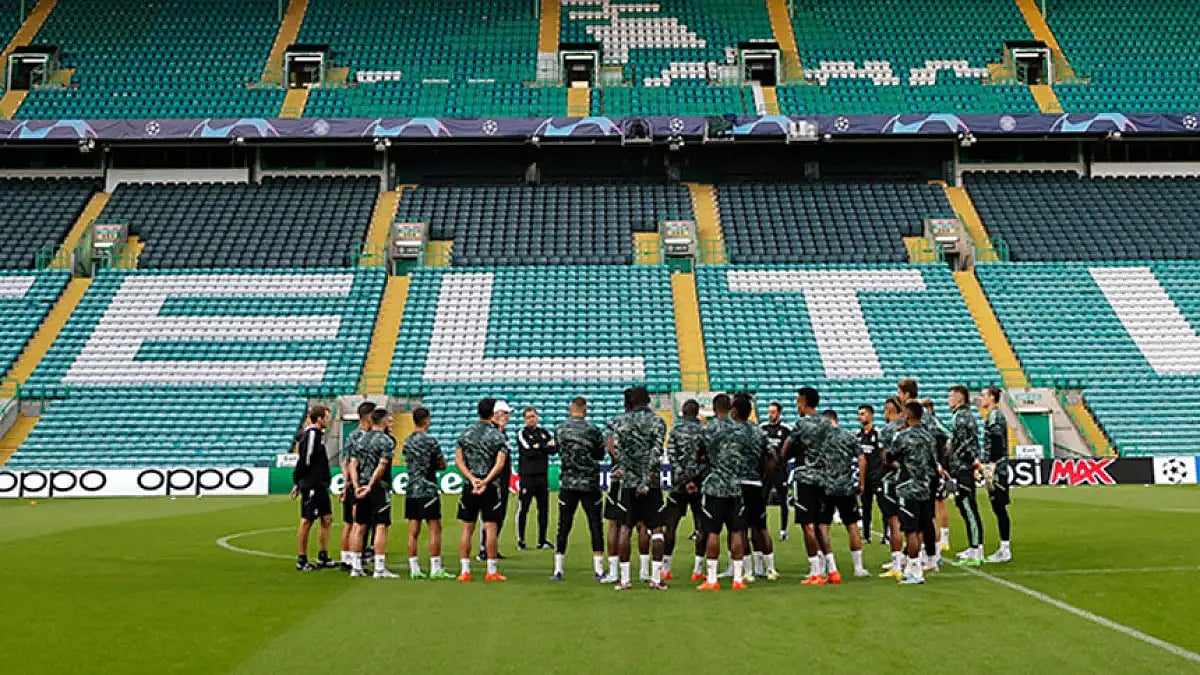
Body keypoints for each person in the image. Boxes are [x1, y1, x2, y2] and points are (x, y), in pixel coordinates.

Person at [697, 394, 762, 591]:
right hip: (736, 485)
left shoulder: (709, 429)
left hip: (716, 486)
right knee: (737, 531)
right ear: (731, 408)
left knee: (713, 532)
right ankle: (738, 578)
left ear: (715, 409)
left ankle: (711, 578)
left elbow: (699, 454)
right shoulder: (742, 429)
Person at [611, 386, 668, 591]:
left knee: (625, 527)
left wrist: (630, 473)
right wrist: (645, 479)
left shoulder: (620, 421)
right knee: (657, 529)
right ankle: (655, 578)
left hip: (628, 481)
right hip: (651, 483)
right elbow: (656, 451)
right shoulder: (658, 422)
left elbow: (618, 451)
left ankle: (625, 580)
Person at [781, 386, 834, 586]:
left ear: (804, 401)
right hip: (824, 478)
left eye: (798, 401)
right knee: (822, 524)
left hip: (805, 478)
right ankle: (832, 568)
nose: (797, 405)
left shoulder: (801, 424)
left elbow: (787, 448)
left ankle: (815, 571)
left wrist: (785, 457)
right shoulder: (827, 424)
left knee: (807, 525)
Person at [551, 397, 607, 581]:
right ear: (585, 409)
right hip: (589, 483)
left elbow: (558, 450)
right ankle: (598, 569)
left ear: (570, 408)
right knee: (595, 524)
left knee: (564, 525)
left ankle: (558, 569)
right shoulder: (593, 430)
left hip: (568, 482)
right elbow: (600, 454)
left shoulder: (560, 429)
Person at [456, 398, 510, 582]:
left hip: (469, 486)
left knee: (466, 528)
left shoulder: (466, 433)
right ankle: (491, 570)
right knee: (490, 528)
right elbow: (500, 463)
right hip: (490, 487)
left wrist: (472, 479)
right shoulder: (497, 436)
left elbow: (458, 460)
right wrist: (486, 481)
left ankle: (465, 570)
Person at [602, 389, 650, 584]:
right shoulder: (652, 421)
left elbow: (610, 445)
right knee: (644, 524)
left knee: (617, 523)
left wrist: (622, 463)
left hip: (621, 478)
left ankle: (616, 571)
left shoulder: (617, 421)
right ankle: (645, 571)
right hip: (645, 477)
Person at [890, 401, 938, 585]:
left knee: (910, 530)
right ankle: (914, 566)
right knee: (920, 528)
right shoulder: (929, 437)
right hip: (925, 487)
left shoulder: (903, 436)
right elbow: (935, 462)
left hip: (907, 488)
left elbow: (889, 457)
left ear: (908, 416)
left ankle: (915, 570)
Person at [402, 407, 453, 580]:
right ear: (427, 420)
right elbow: (442, 464)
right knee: (434, 528)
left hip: (411, 488)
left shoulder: (407, 441)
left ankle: (414, 568)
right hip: (428, 488)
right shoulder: (430, 441)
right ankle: (435, 567)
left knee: (413, 530)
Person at [348, 408, 398, 578]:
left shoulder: (361, 440)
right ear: (383, 421)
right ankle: (379, 568)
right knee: (381, 526)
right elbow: (382, 465)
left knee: (359, 525)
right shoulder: (387, 441)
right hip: (378, 487)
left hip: (360, 486)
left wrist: (356, 486)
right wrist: (370, 485)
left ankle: (355, 567)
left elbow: (352, 464)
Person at [820, 410, 868, 578]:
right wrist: (861, 482)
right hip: (846, 487)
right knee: (852, 525)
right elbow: (862, 459)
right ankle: (858, 567)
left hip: (826, 487)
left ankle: (825, 566)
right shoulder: (849, 436)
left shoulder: (821, 438)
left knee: (823, 526)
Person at [663, 399, 706, 582]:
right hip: (700, 485)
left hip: (679, 485)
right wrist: (694, 479)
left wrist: (684, 478)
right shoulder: (705, 431)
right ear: (697, 413)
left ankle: (666, 568)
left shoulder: (675, 431)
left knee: (671, 525)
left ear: (682, 412)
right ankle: (697, 570)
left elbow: (671, 457)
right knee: (701, 526)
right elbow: (706, 459)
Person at [291, 405, 334, 571]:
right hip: (312, 484)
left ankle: (323, 556)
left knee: (327, 518)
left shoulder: (319, 435)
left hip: (320, 485)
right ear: (320, 418)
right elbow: (305, 460)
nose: (329, 420)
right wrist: (299, 481)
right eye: (327, 417)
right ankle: (302, 559)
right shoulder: (311, 435)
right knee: (307, 520)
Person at [947, 385, 985, 568]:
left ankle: (977, 550)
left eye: (951, 397)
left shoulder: (961, 417)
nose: (948, 400)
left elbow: (965, 444)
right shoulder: (965, 416)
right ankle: (973, 546)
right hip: (962, 467)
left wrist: (973, 462)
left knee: (969, 507)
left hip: (964, 468)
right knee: (964, 505)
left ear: (959, 399)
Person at [338, 401, 375, 571]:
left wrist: (346, 482)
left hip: (351, 483)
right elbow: (353, 462)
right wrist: (355, 483)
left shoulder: (351, 435)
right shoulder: (364, 437)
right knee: (358, 524)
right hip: (360, 484)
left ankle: (346, 558)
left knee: (349, 523)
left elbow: (344, 461)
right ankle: (355, 561)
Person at [980, 386, 1013, 563]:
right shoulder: (993, 415)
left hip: (997, 468)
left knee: (999, 507)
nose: (981, 398)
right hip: (996, 466)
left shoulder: (994, 416)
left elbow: (996, 441)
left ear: (992, 397)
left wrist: (991, 464)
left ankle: (1005, 548)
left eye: (984, 395)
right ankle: (1004, 547)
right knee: (997, 507)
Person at [516, 407, 557, 550]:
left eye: (533, 416)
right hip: (527, 477)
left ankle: (542, 540)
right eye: (528, 417)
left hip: (542, 476)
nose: (531, 419)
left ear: (537, 417)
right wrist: (543, 446)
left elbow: (553, 449)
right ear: (524, 419)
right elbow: (528, 451)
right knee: (524, 509)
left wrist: (540, 446)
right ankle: (521, 540)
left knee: (544, 509)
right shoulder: (522, 433)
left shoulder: (544, 432)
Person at [876, 398, 907, 579]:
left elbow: (885, 458)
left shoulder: (887, 430)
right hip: (909, 481)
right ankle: (913, 561)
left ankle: (896, 563)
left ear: (889, 410)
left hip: (890, 481)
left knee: (893, 522)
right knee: (912, 523)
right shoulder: (909, 426)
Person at [479, 400, 514, 561]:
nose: (508, 417)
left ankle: (491, 546)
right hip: (494, 479)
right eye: (505, 413)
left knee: (499, 514)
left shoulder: (502, 433)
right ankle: (484, 548)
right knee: (491, 515)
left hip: (502, 479)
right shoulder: (492, 433)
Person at [761, 401, 791, 542]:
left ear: (779, 413)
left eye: (773, 412)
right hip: (766, 471)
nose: (770, 414)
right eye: (769, 412)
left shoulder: (785, 430)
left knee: (783, 500)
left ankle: (784, 530)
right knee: (762, 500)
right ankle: (761, 528)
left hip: (780, 471)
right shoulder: (763, 429)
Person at [857, 405, 885, 545]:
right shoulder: (859, 435)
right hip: (864, 476)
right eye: (859, 414)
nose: (860, 417)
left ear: (870, 415)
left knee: (883, 505)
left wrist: (880, 473)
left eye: (863, 414)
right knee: (865, 506)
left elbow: (882, 455)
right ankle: (866, 535)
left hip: (877, 475)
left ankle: (887, 535)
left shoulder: (878, 434)